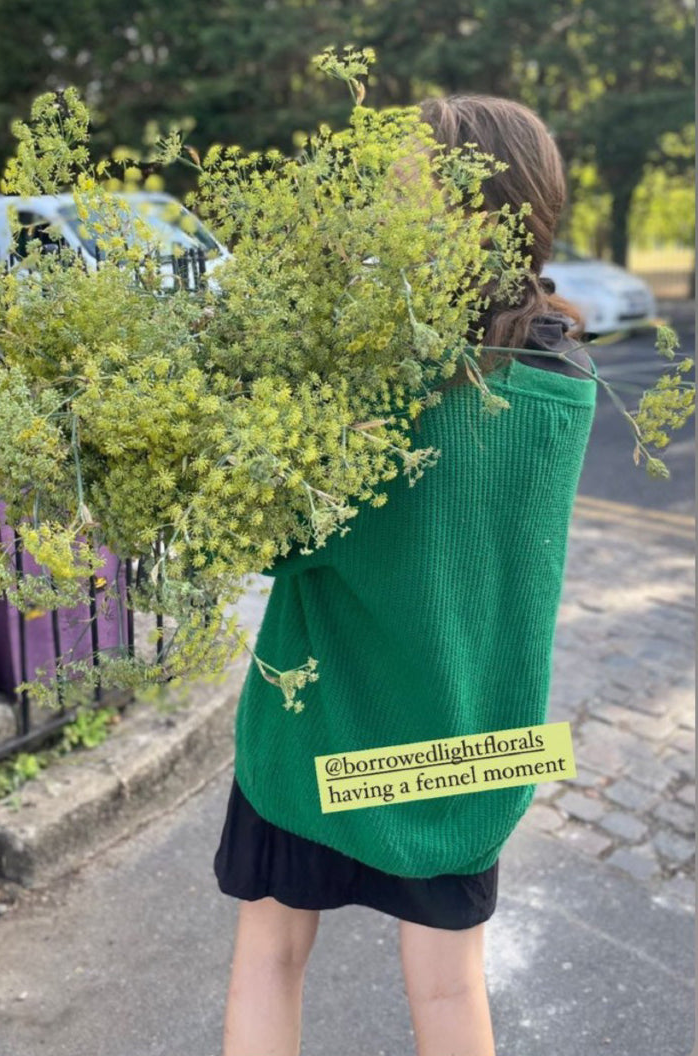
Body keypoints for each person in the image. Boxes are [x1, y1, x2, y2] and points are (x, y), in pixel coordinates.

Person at [213, 93, 598, 1056]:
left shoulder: (375, 373)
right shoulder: (566, 376)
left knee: (269, 954)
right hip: (476, 737)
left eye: (396, 195)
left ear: (451, 210)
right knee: (449, 993)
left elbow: (286, 545)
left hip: (323, 725)